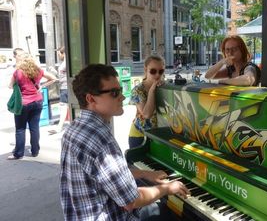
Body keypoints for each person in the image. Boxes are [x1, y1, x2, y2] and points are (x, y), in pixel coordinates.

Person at [60, 64, 189, 221]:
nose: (122, 97)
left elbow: (104, 176)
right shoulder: (101, 140)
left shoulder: (73, 129)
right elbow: (131, 201)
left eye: (120, 90)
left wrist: (144, 173)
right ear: (90, 98)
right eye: (114, 93)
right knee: (168, 212)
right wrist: (167, 188)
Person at [7, 54, 57, 160]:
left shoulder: (17, 72)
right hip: (38, 101)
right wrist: (41, 86)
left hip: (23, 104)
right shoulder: (39, 71)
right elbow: (53, 78)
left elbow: (10, 86)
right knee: (34, 127)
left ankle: (18, 154)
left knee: (20, 129)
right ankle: (35, 151)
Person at [128, 55, 165, 149]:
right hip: (140, 136)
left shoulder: (163, 87)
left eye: (161, 71)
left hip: (157, 135)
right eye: (153, 71)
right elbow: (146, 114)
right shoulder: (138, 90)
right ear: (145, 70)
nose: (157, 75)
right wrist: (152, 90)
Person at [48, 46, 68, 135]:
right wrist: (54, 72)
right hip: (64, 87)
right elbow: (62, 75)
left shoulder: (67, 63)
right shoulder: (65, 63)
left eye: (59, 54)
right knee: (64, 107)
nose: (58, 56)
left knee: (63, 107)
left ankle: (59, 127)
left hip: (66, 87)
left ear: (63, 53)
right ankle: (60, 127)